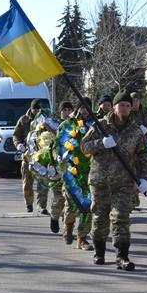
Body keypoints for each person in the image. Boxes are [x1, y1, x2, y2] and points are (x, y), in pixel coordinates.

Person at [80, 91, 147, 270]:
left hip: (124, 183)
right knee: (100, 217)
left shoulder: (136, 130)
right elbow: (84, 147)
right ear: (114, 106)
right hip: (100, 181)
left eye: (128, 105)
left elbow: (143, 156)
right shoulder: (100, 125)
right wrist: (101, 144)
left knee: (121, 218)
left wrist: (144, 178)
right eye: (122, 105)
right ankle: (100, 252)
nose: (125, 108)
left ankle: (122, 256)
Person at [58, 98, 95, 249]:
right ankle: (68, 227)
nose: (85, 111)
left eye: (87, 108)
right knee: (71, 203)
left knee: (88, 205)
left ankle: (82, 238)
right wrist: (60, 156)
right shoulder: (66, 125)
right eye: (82, 107)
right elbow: (57, 145)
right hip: (71, 171)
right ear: (78, 108)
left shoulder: (94, 125)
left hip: (90, 171)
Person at [13, 100, 45, 214]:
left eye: (38, 109)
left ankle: (42, 205)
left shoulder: (44, 120)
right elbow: (16, 135)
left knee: (42, 182)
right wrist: (19, 145)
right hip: (27, 155)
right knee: (27, 182)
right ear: (31, 109)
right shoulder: (23, 120)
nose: (36, 111)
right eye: (34, 109)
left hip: (42, 156)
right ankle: (29, 203)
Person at [48, 101, 74, 234]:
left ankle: (67, 228)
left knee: (71, 199)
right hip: (58, 167)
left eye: (70, 110)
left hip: (72, 168)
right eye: (65, 110)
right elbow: (53, 146)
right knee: (59, 198)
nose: (67, 112)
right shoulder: (54, 125)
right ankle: (54, 217)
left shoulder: (76, 126)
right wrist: (56, 158)